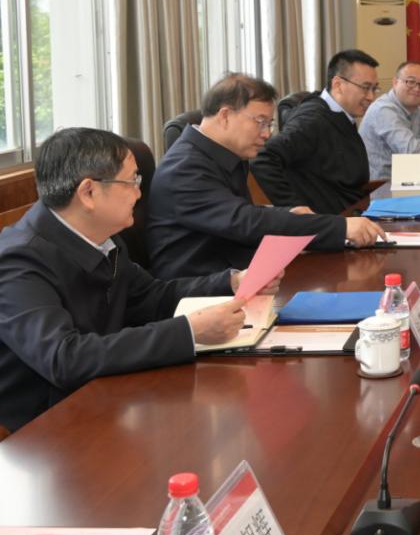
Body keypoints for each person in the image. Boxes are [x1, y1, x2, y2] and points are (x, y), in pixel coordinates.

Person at [0, 128, 279, 432]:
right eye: (132, 181)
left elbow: (150, 297)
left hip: (106, 394)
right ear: (88, 193)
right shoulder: (17, 261)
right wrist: (190, 331)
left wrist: (232, 282)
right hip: (45, 428)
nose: (139, 193)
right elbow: (65, 358)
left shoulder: (101, 235)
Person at [147, 73, 385, 279]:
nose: (267, 134)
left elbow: (235, 213)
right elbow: (244, 221)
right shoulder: (184, 168)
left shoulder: (220, 154)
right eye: (260, 123)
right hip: (202, 291)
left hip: (236, 271)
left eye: (269, 124)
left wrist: (286, 213)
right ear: (225, 116)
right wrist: (339, 227)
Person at [252, 49, 380, 214]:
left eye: (374, 89)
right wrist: (294, 208)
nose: (371, 97)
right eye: (365, 88)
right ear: (338, 84)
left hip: (354, 215)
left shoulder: (341, 115)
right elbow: (263, 157)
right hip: (333, 224)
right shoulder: (312, 120)